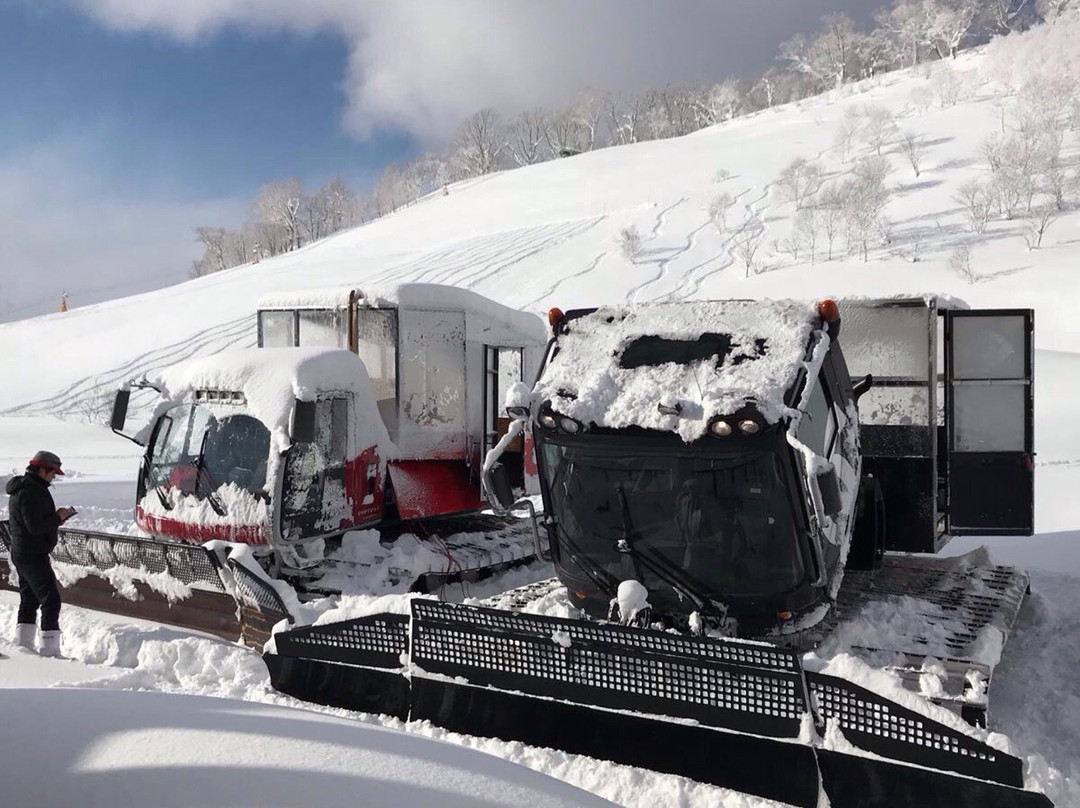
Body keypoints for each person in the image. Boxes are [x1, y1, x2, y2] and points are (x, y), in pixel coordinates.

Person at [5, 450, 75, 656]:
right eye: (53, 473)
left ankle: (23, 645)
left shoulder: (27, 488)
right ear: (43, 469)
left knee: (30, 598)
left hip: (24, 551)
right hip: (31, 554)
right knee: (50, 599)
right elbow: (35, 526)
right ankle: (49, 651)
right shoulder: (30, 492)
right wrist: (58, 517)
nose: (53, 477)